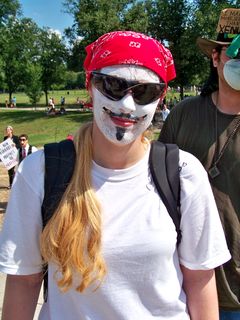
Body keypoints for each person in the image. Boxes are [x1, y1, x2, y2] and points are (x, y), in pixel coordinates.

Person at [0, 31, 231, 320]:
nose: (127, 105)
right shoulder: (40, 171)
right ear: (90, 86)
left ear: (161, 98)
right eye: (112, 85)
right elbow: (24, 281)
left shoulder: (183, 174)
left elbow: (200, 282)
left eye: (144, 92)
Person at [159, 8, 240, 319]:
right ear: (216, 58)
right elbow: (156, 186)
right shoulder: (184, 115)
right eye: (234, 53)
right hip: (186, 283)